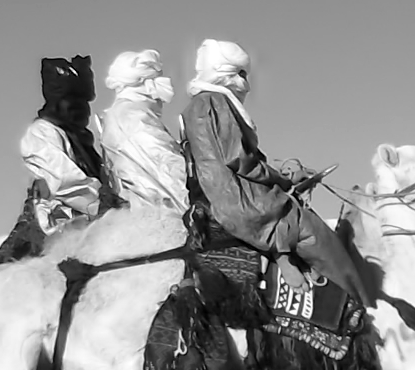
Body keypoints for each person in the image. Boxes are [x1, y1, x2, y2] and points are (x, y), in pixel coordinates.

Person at [181, 39, 371, 309]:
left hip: (225, 189)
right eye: (241, 74)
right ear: (227, 74)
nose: (245, 82)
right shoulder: (214, 102)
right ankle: (357, 310)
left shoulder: (201, 104)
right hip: (235, 197)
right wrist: (283, 180)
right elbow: (239, 160)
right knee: (312, 231)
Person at [0, 56, 118, 265]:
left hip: (90, 216)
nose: (83, 110)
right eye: (74, 104)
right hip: (56, 223)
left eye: (84, 104)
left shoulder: (81, 140)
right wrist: (106, 205)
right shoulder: (40, 133)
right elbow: (67, 182)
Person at [97, 50, 185, 213]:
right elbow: (167, 172)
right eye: (158, 80)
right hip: (160, 215)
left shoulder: (123, 114)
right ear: (147, 84)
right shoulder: (132, 117)